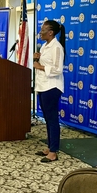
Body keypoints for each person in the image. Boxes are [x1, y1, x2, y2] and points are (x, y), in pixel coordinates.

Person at [33, 20, 65, 163]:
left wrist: (39, 66)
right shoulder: (45, 46)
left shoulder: (56, 47)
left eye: (43, 30)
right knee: (47, 118)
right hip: (43, 86)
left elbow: (58, 69)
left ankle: (53, 152)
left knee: (52, 119)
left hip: (52, 87)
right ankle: (50, 147)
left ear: (51, 32)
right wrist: (38, 58)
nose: (40, 32)